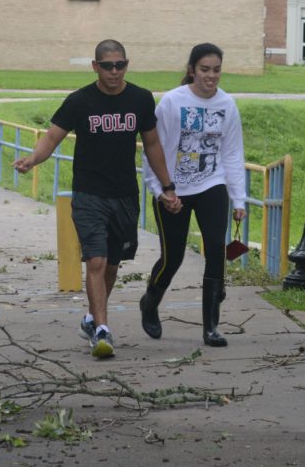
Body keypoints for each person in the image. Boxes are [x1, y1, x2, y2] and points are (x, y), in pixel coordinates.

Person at [14, 40, 180, 359]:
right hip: (89, 193)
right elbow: (51, 137)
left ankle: (91, 318)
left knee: (112, 267)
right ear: (95, 67)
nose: (114, 71)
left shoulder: (141, 99)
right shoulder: (80, 101)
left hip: (124, 195)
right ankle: (102, 330)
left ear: (126, 65)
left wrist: (167, 186)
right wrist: (32, 160)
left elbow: (153, 145)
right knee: (96, 260)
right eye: (108, 66)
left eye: (120, 65)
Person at [140, 43, 247, 347]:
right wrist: (160, 190)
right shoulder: (173, 103)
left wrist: (238, 199)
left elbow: (232, 153)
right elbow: (153, 149)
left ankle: (211, 326)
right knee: (172, 258)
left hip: (212, 185)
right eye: (204, 69)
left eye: (216, 70)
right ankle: (150, 302)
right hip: (173, 189)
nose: (211, 76)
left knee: (215, 250)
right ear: (191, 70)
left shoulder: (227, 105)